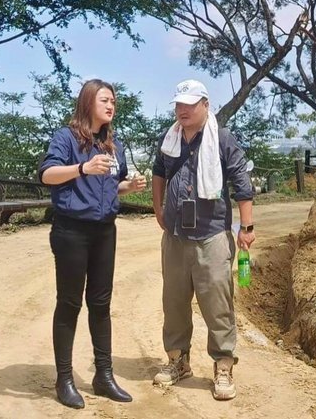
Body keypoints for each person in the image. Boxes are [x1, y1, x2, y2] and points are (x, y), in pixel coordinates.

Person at [39, 79, 147, 409]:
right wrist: (82, 167)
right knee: (69, 303)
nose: (111, 105)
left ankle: (104, 376)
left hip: (104, 232)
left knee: (101, 304)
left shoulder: (114, 145)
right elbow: (47, 175)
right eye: (105, 100)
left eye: (114, 100)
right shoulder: (66, 137)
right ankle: (65, 379)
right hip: (71, 231)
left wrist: (130, 186)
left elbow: (111, 188)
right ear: (88, 102)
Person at [151, 79, 255, 400]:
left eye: (189, 104)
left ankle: (223, 365)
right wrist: (158, 210)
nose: (182, 110)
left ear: (205, 105)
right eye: (178, 104)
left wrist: (246, 228)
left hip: (211, 235)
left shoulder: (222, 139)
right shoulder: (169, 140)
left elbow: (241, 181)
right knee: (174, 303)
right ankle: (177, 360)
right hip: (176, 236)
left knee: (217, 304)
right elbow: (158, 173)